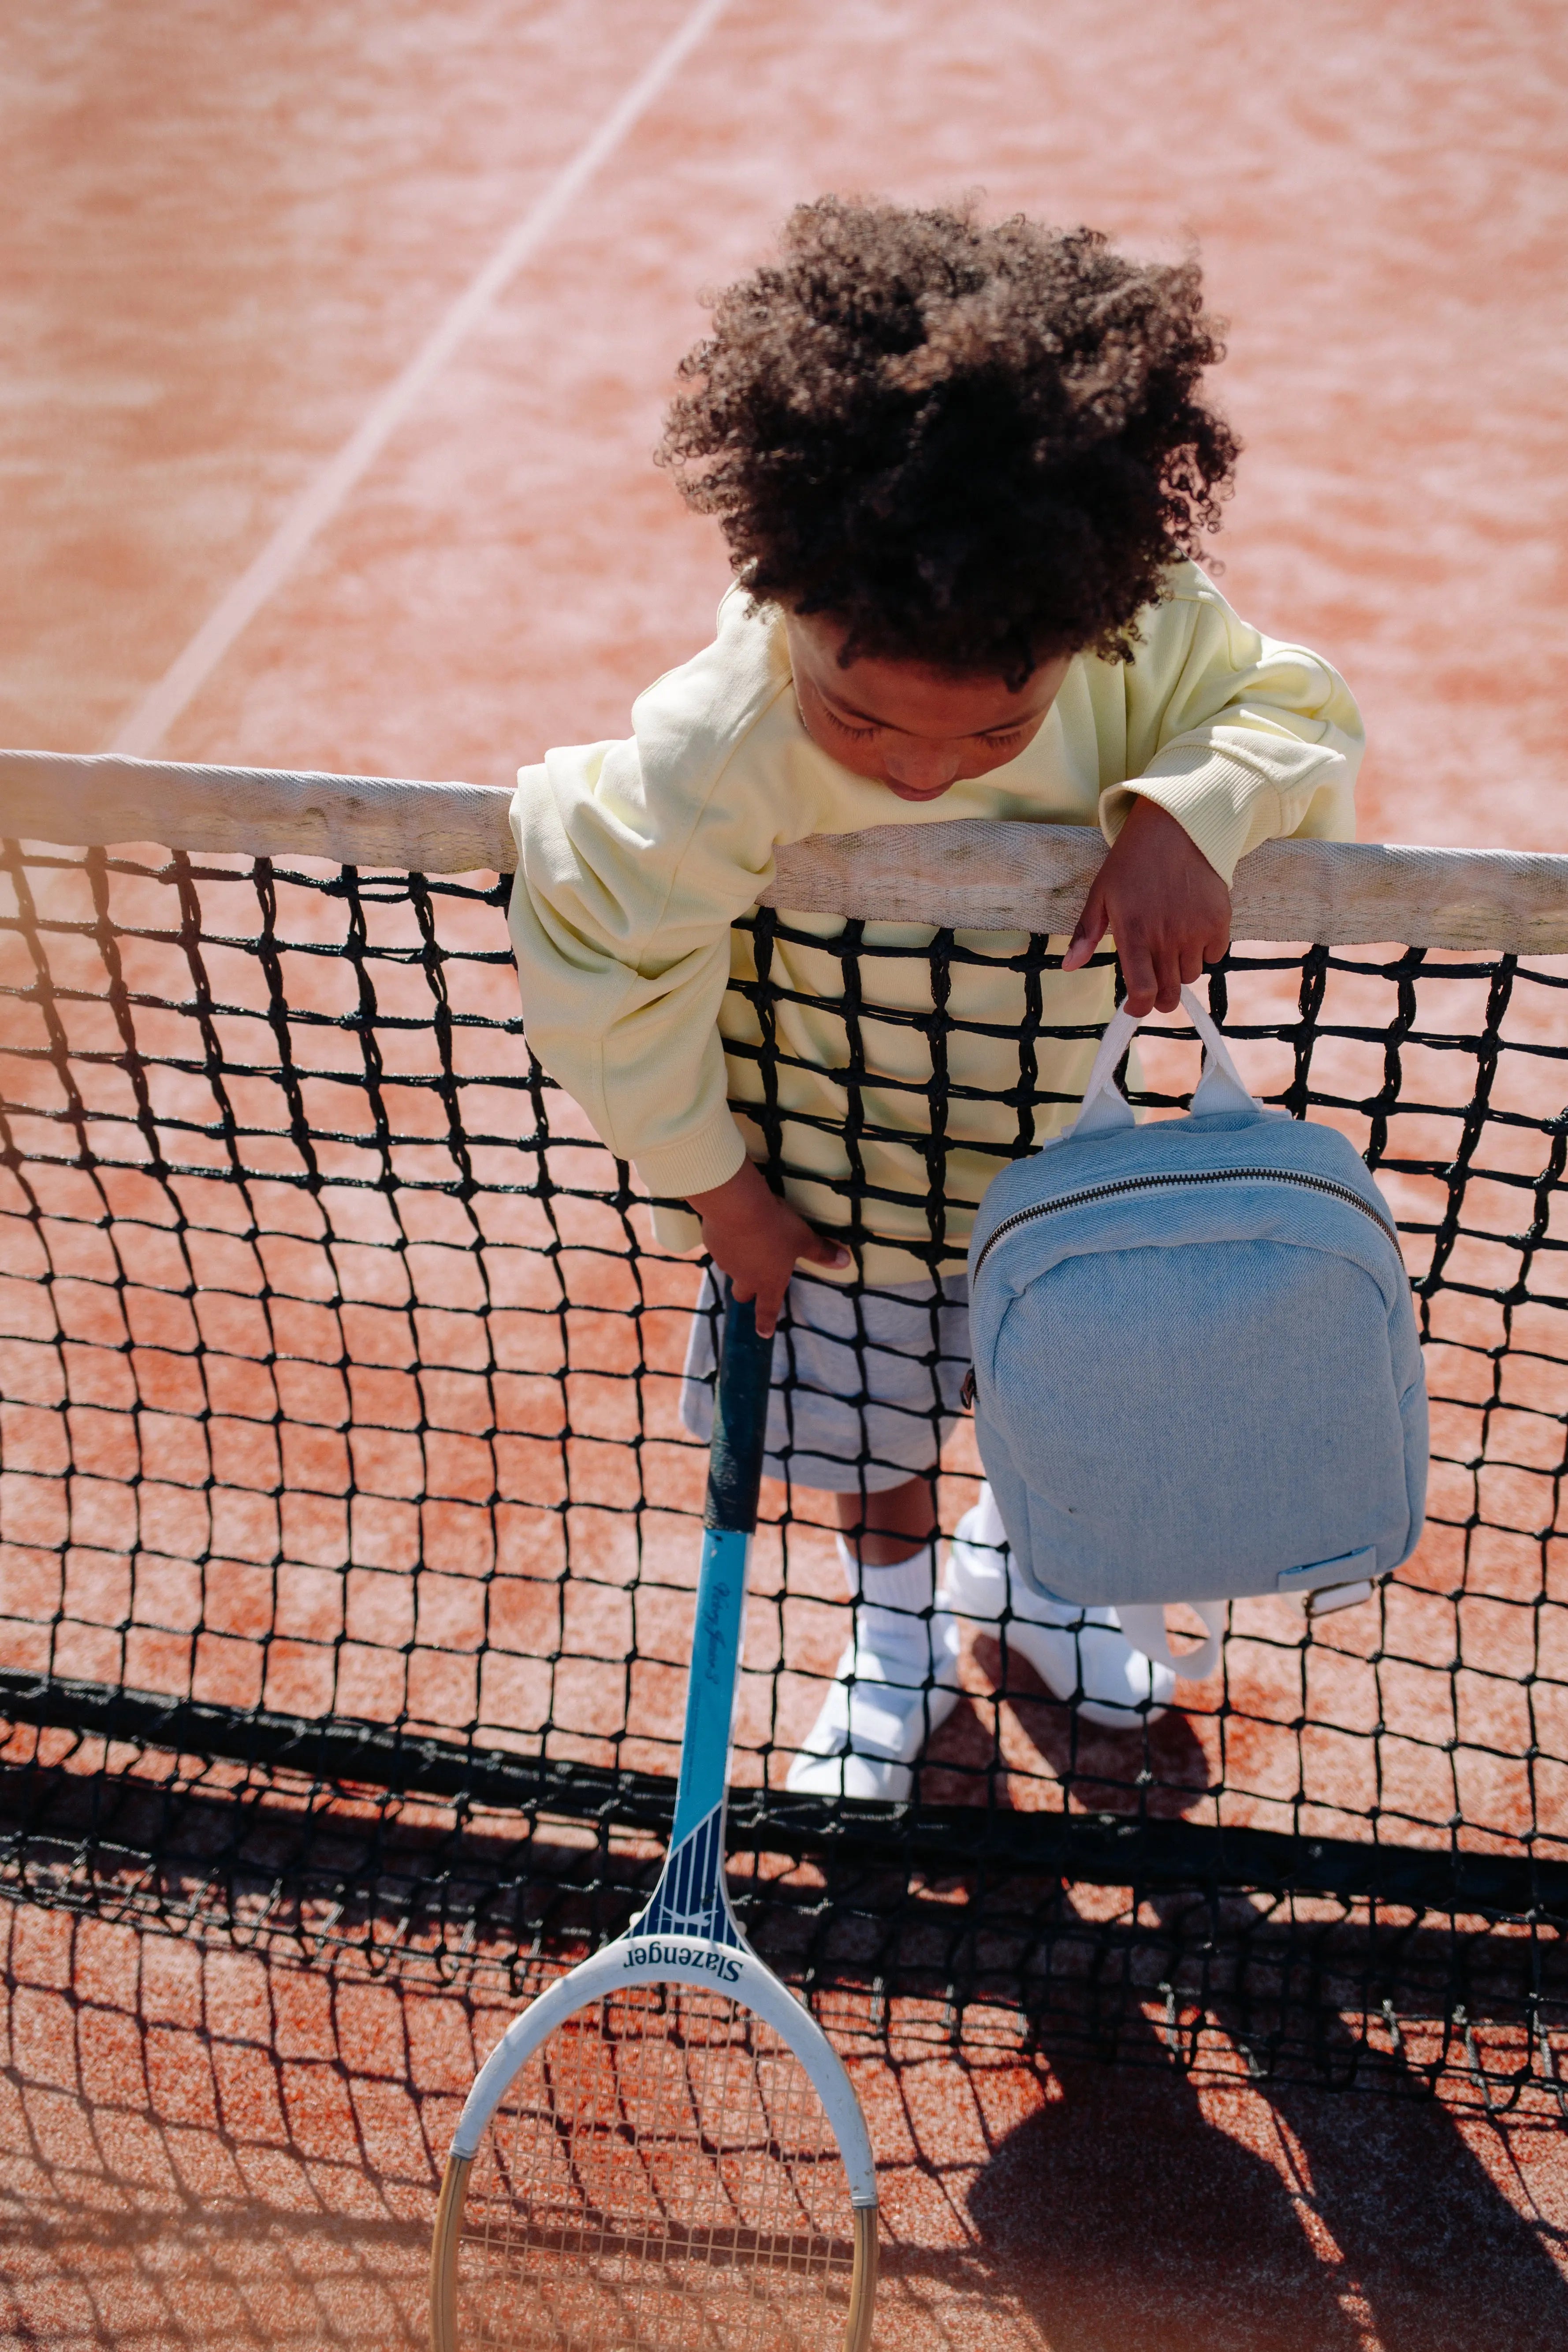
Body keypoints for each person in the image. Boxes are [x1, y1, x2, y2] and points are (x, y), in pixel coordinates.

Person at [508, 197, 1362, 1797]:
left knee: (1063, 1408)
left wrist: (1193, 808)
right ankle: (892, 1627)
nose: (916, 769)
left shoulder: (1132, 648)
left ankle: (1032, 1583)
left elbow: (1290, 704)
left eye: (989, 735)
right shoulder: (719, 740)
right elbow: (611, 966)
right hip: (830, 1190)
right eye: (863, 719)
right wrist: (722, 1189)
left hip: (1058, 1181)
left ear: (1089, 630)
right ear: (787, 600)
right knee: (871, 1439)